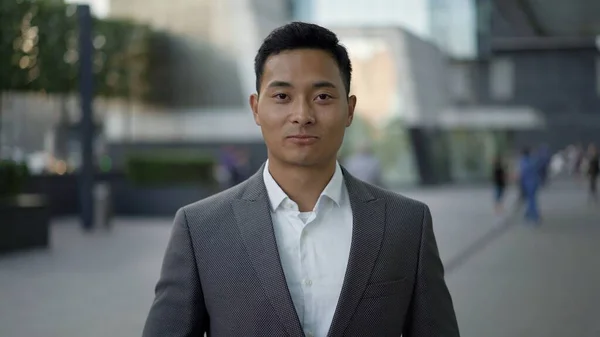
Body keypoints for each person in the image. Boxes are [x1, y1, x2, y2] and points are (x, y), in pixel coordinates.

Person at [142, 22, 459, 337]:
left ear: (349, 110)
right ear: (256, 108)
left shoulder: (406, 224)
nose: (302, 115)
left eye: (322, 96)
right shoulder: (200, 228)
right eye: (282, 96)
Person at [518, 147, 541, 224]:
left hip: (528, 183)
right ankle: (528, 214)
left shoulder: (523, 161)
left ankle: (534, 216)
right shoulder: (532, 160)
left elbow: (523, 173)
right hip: (534, 183)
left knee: (531, 201)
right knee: (531, 200)